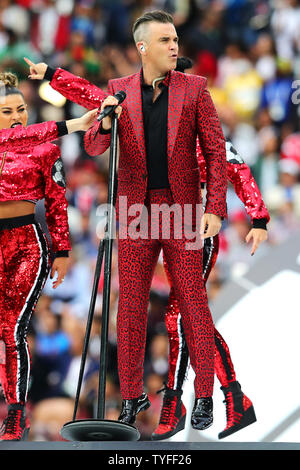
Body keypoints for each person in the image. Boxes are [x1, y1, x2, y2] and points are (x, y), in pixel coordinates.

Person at [25, 10, 227, 431]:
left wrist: (214, 208)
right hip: (134, 210)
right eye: (166, 40)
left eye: (175, 39)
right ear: (142, 48)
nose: (174, 46)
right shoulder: (117, 91)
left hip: (182, 208)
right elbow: (97, 146)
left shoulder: (195, 89)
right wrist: (106, 117)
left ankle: (204, 394)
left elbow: (215, 152)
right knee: (130, 305)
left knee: (192, 301)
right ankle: (132, 396)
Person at [150, 57, 270, 440]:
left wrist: (259, 218)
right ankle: (235, 399)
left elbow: (238, 169)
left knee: (181, 318)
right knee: (182, 320)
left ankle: (177, 402)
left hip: (196, 230)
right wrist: (55, 77)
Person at [0, 71, 97, 441]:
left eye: (21, 109)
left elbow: (56, 202)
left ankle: (16, 412)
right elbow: (13, 135)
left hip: (27, 243)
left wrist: (63, 250)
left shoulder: (44, 148)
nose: (17, 117)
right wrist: (72, 123)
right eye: (7, 111)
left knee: (12, 328)